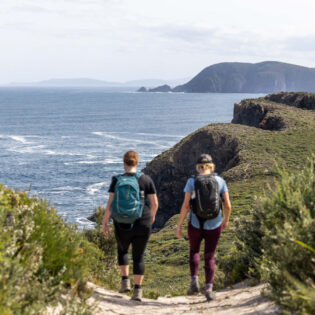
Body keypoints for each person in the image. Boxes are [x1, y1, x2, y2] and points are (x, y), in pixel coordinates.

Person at [102, 150, 158, 301]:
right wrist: (151, 216)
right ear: (137, 163)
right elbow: (154, 203)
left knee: (123, 250)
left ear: (124, 163)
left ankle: (125, 281)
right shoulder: (145, 179)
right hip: (143, 220)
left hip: (121, 222)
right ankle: (138, 291)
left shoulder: (116, 180)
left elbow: (110, 203)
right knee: (139, 256)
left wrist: (105, 222)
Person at [176, 154, 231, 301]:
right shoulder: (220, 181)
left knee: (194, 250)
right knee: (210, 255)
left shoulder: (192, 181)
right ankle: (208, 289)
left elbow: (186, 205)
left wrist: (179, 224)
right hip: (214, 224)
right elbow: (227, 205)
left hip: (195, 223)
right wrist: (225, 220)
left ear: (198, 167)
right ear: (211, 166)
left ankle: (194, 281)